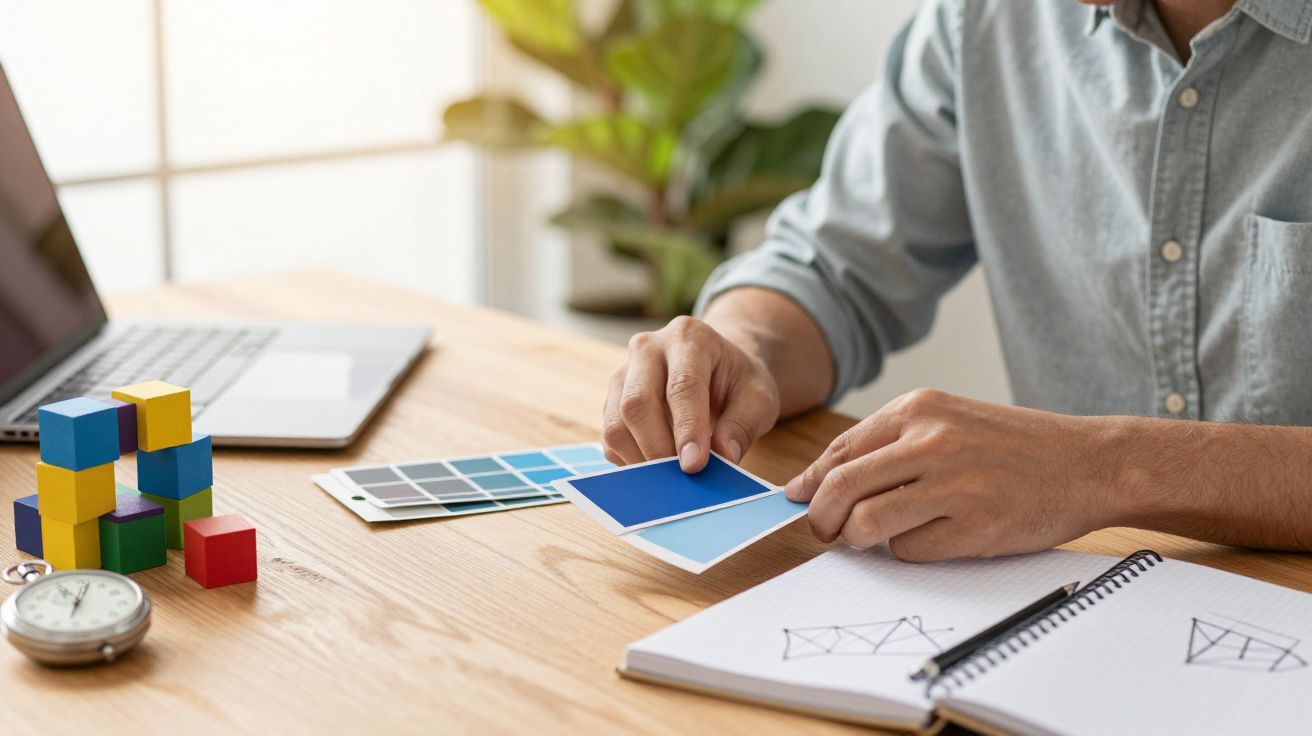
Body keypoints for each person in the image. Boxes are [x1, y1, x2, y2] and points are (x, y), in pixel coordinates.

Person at [600, 0, 1312, 562]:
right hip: (1070, 607)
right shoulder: (987, 18)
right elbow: (833, 266)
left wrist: (1103, 469)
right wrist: (743, 347)